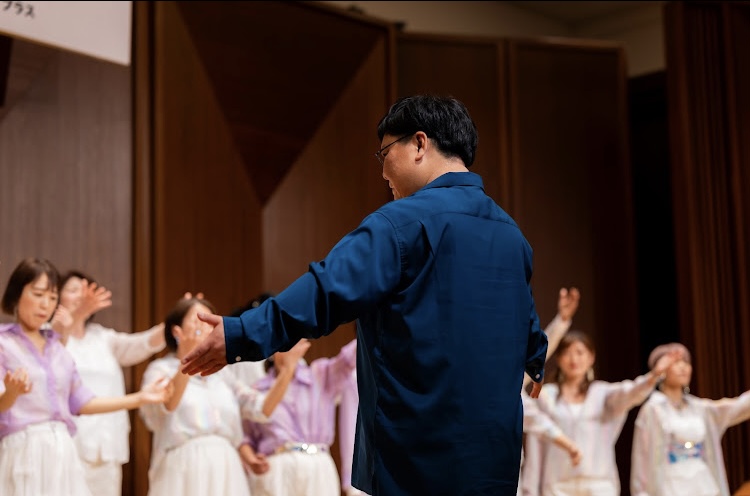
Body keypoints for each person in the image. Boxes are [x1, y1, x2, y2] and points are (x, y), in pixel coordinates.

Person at [182, 94, 550, 495]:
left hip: (419, 457)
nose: (383, 172)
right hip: (494, 462)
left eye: (385, 153)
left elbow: (326, 290)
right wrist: (535, 360)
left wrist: (241, 333)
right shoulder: (512, 235)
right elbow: (525, 320)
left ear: (419, 144)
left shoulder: (401, 223)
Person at [0, 257, 169, 496]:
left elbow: (82, 402)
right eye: (38, 294)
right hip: (23, 449)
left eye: (52, 297)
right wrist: (12, 393)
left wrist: (140, 398)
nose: (45, 304)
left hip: (63, 451)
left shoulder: (58, 349)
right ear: (17, 294)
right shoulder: (4, 343)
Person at [139, 296, 308, 496]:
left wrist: (287, 370)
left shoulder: (222, 374)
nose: (205, 329)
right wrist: (186, 358)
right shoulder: (160, 369)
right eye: (197, 321)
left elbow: (262, 409)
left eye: (209, 323)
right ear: (177, 332)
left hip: (227, 467)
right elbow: (164, 407)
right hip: (184, 466)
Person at [50, 270, 167, 496]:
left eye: (85, 292)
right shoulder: (50, 335)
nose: (80, 297)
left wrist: (176, 322)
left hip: (108, 442)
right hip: (69, 442)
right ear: (56, 297)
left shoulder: (102, 337)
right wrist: (76, 316)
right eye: (73, 290)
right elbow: (51, 352)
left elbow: (142, 344)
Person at [522, 331, 681, 496]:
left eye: (580, 352)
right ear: (559, 358)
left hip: (599, 484)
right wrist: (530, 490)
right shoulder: (546, 396)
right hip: (557, 485)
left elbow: (631, 392)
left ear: (591, 357)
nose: (574, 359)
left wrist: (654, 375)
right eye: (567, 353)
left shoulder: (602, 393)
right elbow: (536, 442)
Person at [241, 337, 357, 496]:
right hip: (276, 469)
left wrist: (374, 325)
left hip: (317, 467)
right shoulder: (258, 390)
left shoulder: (320, 375)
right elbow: (246, 438)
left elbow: (349, 357)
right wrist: (252, 459)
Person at [630, 343, 750, 496]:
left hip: (702, 481)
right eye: (676, 363)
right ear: (661, 370)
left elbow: (737, 407)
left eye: (686, 362)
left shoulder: (699, 408)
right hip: (671, 484)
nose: (683, 367)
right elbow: (642, 458)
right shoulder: (653, 410)